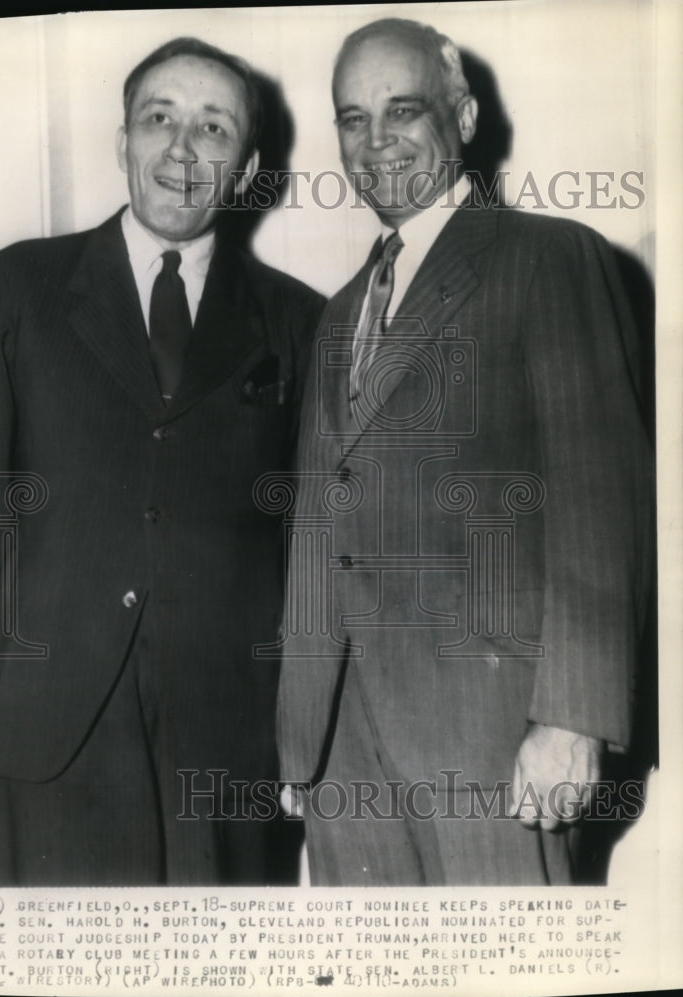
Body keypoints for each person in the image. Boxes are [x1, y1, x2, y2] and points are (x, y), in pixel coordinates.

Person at [0, 36, 324, 886]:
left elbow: (311, 531)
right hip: (59, 722)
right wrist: (57, 614)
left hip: (233, 733)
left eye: (213, 127)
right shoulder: (16, 287)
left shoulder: (301, 321)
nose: (182, 149)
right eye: (160, 119)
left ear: (247, 165)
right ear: (123, 142)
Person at [276, 18, 653, 885]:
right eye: (352, 118)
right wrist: (299, 734)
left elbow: (601, 497)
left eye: (403, 109)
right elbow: (316, 526)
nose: (376, 142)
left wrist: (575, 718)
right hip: (343, 747)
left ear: (466, 115)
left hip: (493, 733)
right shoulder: (338, 314)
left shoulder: (549, 259)